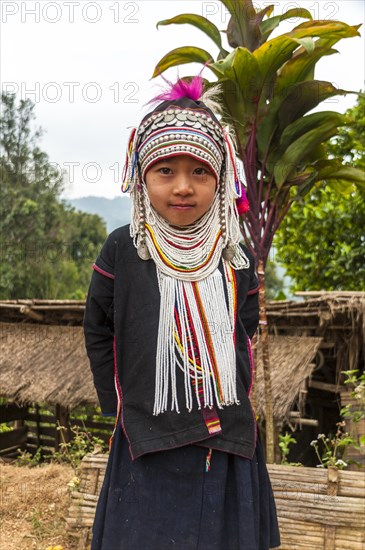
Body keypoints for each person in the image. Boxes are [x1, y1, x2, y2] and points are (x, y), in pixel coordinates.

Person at [83, 76, 281, 550]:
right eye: (165, 171)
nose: (183, 187)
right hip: (146, 436)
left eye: (200, 172)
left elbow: (243, 328)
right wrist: (119, 411)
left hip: (223, 433)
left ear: (221, 179)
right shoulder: (125, 250)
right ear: (141, 178)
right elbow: (99, 330)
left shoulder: (234, 253)